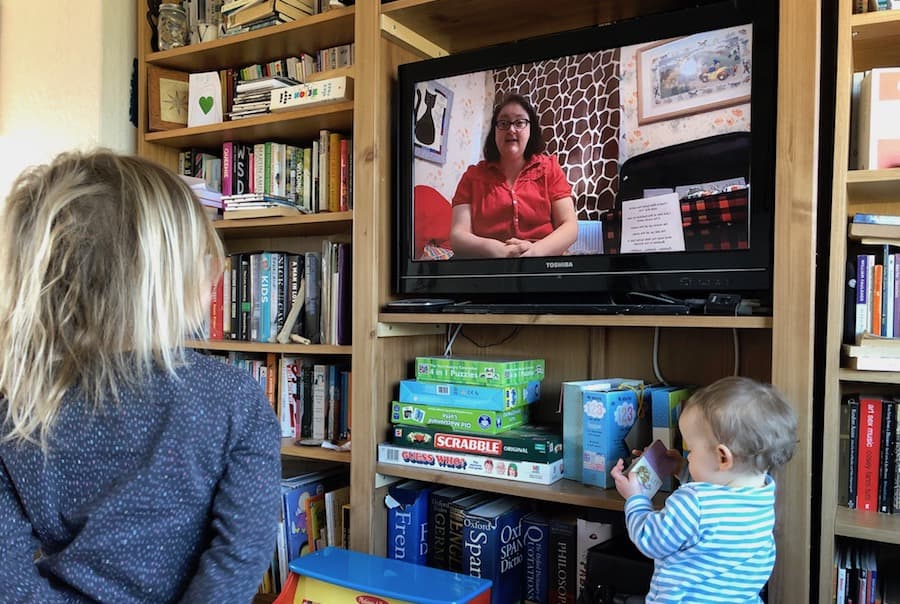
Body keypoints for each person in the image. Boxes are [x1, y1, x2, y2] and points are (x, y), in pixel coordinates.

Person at [0, 150, 282, 603]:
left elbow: (9, 578)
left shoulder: (19, 407)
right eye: (204, 258)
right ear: (166, 280)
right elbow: (241, 553)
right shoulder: (234, 397)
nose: (218, 271)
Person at [610, 376, 797, 604]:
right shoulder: (762, 494)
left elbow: (651, 540)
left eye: (691, 450)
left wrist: (635, 498)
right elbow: (717, 501)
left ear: (722, 457)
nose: (688, 456)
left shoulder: (693, 502)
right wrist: (682, 469)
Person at [449, 93, 578, 258]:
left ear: (530, 129)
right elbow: (458, 236)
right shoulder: (472, 176)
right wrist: (496, 250)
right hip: (487, 263)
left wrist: (535, 252)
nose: (511, 129)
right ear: (494, 131)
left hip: (543, 260)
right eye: (503, 123)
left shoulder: (550, 168)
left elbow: (570, 226)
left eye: (519, 122)